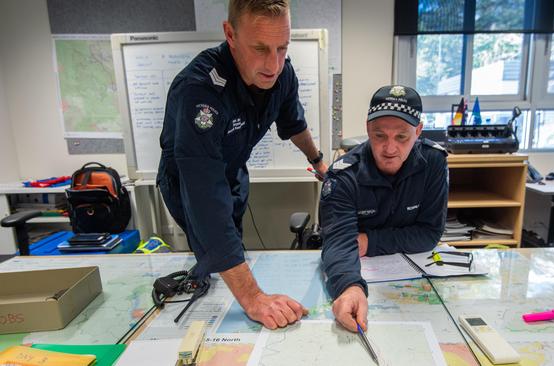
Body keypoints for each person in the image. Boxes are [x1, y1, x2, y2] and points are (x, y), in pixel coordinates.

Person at [156, 0, 327, 330]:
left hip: (233, 170)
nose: (273, 64)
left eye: (281, 48)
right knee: (211, 246)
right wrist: (253, 299)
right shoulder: (201, 91)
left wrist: (318, 161)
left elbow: (293, 123)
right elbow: (204, 196)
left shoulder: (281, 73)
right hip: (189, 179)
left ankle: (230, 277)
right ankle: (224, 299)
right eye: (260, 48)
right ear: (230, 34)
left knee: (230, 247)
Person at [320, 85, 448, 332]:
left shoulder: (434, 162)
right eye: (379, 136)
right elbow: (338, 243)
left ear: (418, 131)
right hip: (359, 274)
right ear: (368, 129)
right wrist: (350, 287)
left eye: (402, 137)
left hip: (414, 284)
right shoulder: (343, 175)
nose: (390, 149)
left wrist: (369, 241)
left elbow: (429, 234)